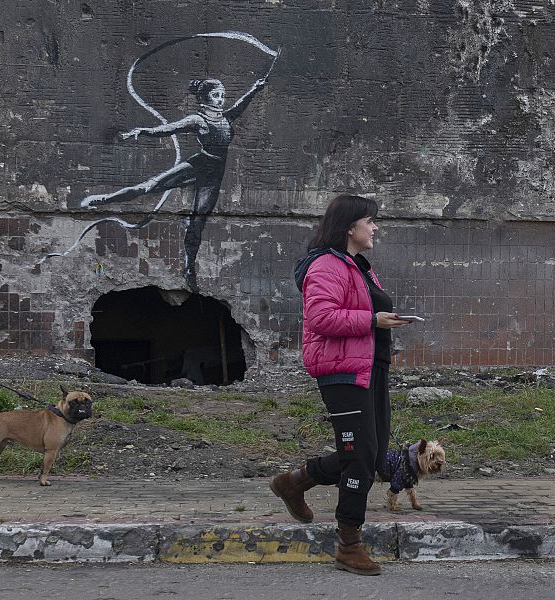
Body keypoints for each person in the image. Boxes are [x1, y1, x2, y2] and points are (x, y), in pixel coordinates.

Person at [269, 194, 412, 575]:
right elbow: (321, 317)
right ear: (350, 228)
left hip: (371, 370)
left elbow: (362, 311)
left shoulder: (358, 266)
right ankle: (349, 545)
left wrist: (385, 321)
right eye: (370, 221)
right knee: (361, 456)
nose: (375, 227)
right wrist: (373, 321)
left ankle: (294, 481)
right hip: (342, 373)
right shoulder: (325, 266)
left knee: (373, 456)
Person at [80, 77, 267, 292]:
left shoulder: (225, 119)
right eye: (216, 95)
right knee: (149, 187)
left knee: (197, 224)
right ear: (204, 98)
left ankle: (188, 270)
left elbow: (240, 105)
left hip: (212, 178)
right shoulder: (197, 120)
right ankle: (104, 199)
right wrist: (142, 131)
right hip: (198, 164)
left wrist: (255, 88)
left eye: (222, 95)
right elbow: (169, 129)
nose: (221, 100)